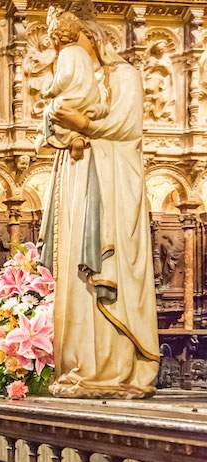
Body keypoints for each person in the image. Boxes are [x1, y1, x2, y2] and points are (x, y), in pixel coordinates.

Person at [39, 5, 159, 398]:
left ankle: (112, 368)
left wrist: (84, 125)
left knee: (108, 268)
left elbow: (125, 126)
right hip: (79, 183)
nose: (68, 55)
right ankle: (79, 366)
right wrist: (60, 127)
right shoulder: (80, 82)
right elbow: (55, 127)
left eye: (72, 44)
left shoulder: (123, 75)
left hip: (112, 184)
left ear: (90, 37)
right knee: (76, 276)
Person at [39, 7, 108, 161]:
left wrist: (51, 91)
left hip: (74, 99)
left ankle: (59, 138)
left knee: (51, 111)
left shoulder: (66, 53)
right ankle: (76, 138)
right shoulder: (82, 54)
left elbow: (65, 77)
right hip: (90, 98)